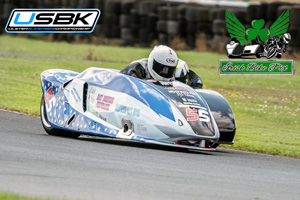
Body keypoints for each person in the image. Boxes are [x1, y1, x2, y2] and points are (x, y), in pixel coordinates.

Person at [120, 45, 203, 88]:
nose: (165, 72)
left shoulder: (181, 72)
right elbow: (119, 83)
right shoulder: (136, 68)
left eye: (170, 70)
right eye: (162, 68)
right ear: (152, 63)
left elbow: (197, 86)